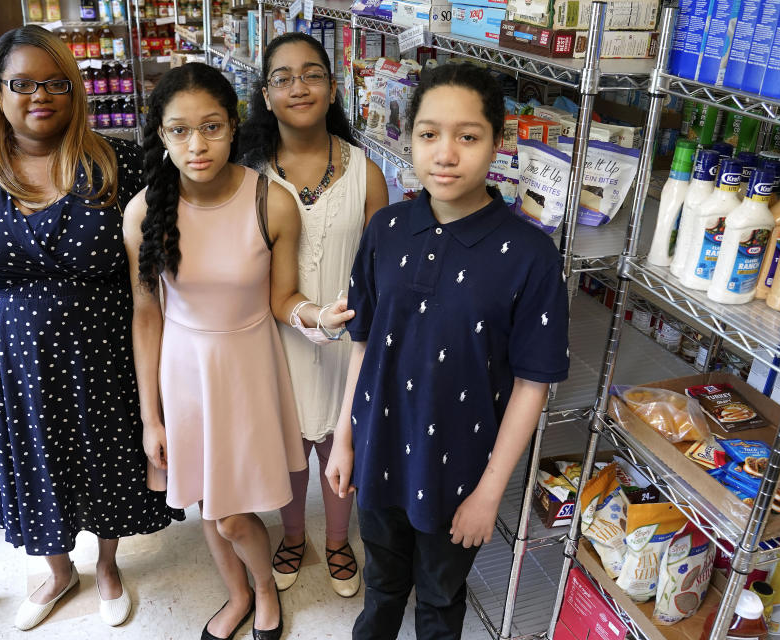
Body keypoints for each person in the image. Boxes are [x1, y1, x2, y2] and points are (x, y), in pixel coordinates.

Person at [0, 25, 178, 631]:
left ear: (75, 90)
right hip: (12, 364)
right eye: (23, 84)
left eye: (56, 83)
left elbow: (156, 269)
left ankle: (110, 563)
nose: (40, 95)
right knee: (33, 462)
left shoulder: (116, 163)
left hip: (106, 353)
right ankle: (60, 569)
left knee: (110, 461)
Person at [325, 63, 570, 639]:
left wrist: (490, 494)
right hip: (378, 446)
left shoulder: (529, 254)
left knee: (439, 598)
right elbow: (361, 345)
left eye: (468, 136)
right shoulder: (385, 229)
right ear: (409, 138)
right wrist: (344, 439)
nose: (446, 154)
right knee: (382, 586)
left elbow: (533, 384)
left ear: (496, 143)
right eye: (429, 134)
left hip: (459, 468)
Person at [123, 62, 352, 640]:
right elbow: (147, 316)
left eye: (211, 127)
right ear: (161, 134)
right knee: (206, 499)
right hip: (184, 372)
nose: (196, 145)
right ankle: (238, 595)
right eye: (179, 131)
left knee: (230, 512)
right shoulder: (145, 211)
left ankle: (264, 589)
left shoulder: (269, 202)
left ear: (234, 126)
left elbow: (283, 298)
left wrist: (315, 316)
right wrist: (151, 416)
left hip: (247, 366)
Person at [238, 32, 388, 598]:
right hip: (272, 334)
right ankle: (294, 534)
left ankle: (338, 540)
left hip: (348, 336)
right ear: (266, 94)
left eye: (312, 74)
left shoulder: (366, 174)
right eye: (283, 78)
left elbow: (381, 268)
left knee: (341, 441)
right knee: (288, 450)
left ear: (332, 88)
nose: (298, 87)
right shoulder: (246, 174)